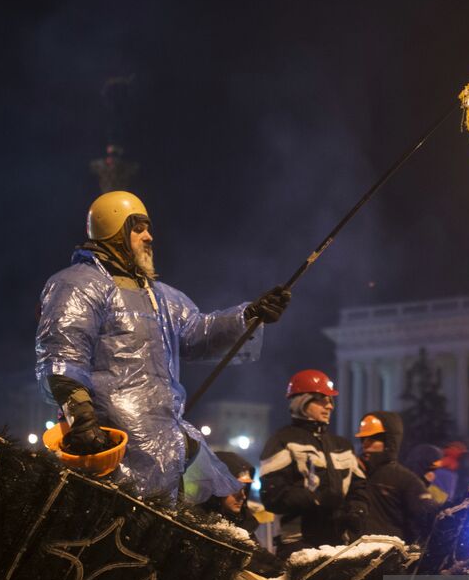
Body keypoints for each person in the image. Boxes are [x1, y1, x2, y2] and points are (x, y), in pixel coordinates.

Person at [35, 190, 290, 502]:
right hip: (111, 446)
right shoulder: (77, 283)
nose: (149, 236)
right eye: (138, 228)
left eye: (148, 228)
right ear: (115, 231)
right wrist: (83, 420)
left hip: (166, 445)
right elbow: (62, 355)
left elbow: (199, 332)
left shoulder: (161, 296)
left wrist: (248, 315)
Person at [258, 370, 361, 551]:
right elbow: (272, 496)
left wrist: (356, 510)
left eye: (330, 401)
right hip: (298, 544)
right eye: (322, 399)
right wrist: (316, 498)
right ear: (301, 403)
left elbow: (360, 488)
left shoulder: (342, 444)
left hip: (339, 544)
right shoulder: (283, 440)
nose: (329, 406)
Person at [342, 412, 441, 543]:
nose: (365, 444)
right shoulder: (355, 473)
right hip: (354, 555)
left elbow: (430, 517)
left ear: (390, 441)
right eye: (364, 439)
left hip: (391, 558)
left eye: (373, 439)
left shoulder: (405, 479)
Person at [206, 450, 264, 545]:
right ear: (217, 486)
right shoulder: (197, 525)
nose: (243, 496)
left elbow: (260, 556)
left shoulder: (244, 525)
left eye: (245, 489)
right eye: (236, 488)